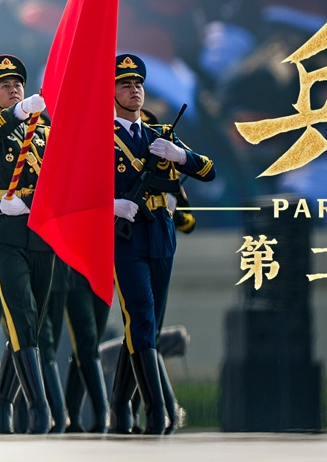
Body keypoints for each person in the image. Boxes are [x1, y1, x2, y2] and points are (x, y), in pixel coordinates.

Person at [112, 54, 215, 435]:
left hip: (161, 233)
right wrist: (109, 205)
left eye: (138, 83)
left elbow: (207, 170)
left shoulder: (160, 135)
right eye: (125, 84)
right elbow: (78, 187)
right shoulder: (100, 136)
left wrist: (179, 155)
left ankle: (120, 405)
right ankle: (156, 411)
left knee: (149, 326)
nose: (134, 90)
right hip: (124, 236)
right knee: (139, 318)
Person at [0, 55, 54, 434]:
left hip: (40, 232)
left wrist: (33, 203)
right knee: (20, 315)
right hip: (5, 234)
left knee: (32, 322)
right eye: (4, 86)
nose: (14, 89)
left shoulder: (44, 134)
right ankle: (39, 407)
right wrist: (19, 113)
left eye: (18, 84)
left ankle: (2, 402)